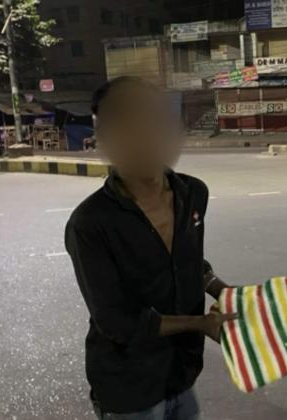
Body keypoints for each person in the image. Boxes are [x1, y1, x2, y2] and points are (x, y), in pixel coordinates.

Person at [65, 76, 236, 420]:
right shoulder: (90, 223)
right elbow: (115, 321)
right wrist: (201, 323)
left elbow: (189, 262)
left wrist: (227, 292)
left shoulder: (194, 193)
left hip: (182, 374)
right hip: (129, 385)